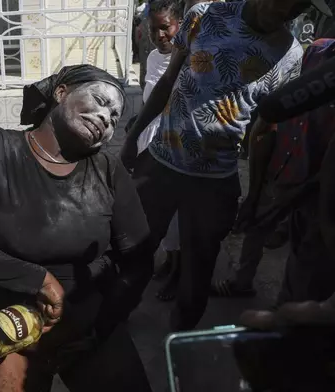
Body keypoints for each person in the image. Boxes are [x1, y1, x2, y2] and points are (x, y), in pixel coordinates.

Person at [0, 64, 154, 392]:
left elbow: (139, 259)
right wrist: (39, 280)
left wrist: (101, 328)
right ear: (61, 93)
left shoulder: (108, 171)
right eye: (100, 101)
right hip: (10, 323)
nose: (106, 118)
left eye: (115, 118)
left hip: (87, 325)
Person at [120, 0, 330, 331]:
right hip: (160, 164)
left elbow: (264, 130)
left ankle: (181, 348)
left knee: (197, 278)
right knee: (130, 254)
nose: (287, 10)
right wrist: (133, 136)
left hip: (215, 182)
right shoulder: (205, 15)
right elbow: (167, 81)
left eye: (299, 5)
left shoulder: (290, 53)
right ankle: (110, 326)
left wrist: (256, 194)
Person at [212, 25, 335, 298]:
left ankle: (289, 313)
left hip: (319, 183)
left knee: (308, 252)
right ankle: (241, 282)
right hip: (285, 162)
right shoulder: (316, 51)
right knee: (257, 223)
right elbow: (277, 113)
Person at [137, 0, 184, 302]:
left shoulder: (190, 59)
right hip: (150, 143)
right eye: (154, 29)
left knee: (176, 215)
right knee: (157, 212)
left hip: (175, 146)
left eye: (165, 27)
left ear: (178, 24)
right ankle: (169, 261)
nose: (160, 35)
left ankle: (180, 272)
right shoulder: (154, 57)